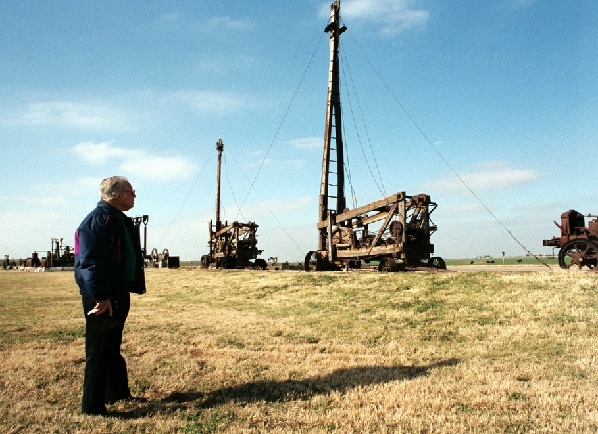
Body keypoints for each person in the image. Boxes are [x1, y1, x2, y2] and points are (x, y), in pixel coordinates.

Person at [74, 176, 146, 415]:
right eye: (131, 191)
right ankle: (92, 408)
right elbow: (88, 263)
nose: (134, 195)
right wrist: (100, 297)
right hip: (102, 296)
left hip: (118, 293)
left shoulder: (119, 220)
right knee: (98, 351)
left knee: (112, 346)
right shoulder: (98, 220)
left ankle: (117, 393)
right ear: (117, 195)